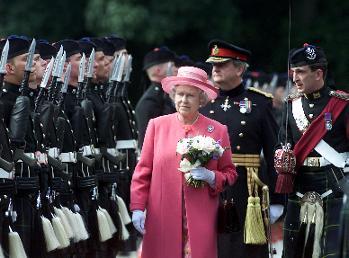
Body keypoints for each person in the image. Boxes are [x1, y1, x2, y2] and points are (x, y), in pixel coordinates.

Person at [130, 66, 237, 258]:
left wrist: (212, 176)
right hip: (162, 214)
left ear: (201, 99)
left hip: (201, 215)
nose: (183, 100)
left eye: (190, 95)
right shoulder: (157, 125)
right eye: (179, 94)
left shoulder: (217, 130)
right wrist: (138, 207)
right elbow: (143, 171)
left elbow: (230, 173)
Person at [200, 39, 281, 258]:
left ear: (239, 68)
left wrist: (277, 199)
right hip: (210, 185)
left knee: (245, 249)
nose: (214, 69)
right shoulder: (205, 103)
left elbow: (274, 152)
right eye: (213, 64)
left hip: (247, 189)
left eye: (222, 64)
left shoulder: (260, 103)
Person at [275, 43, 349, 258]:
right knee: (295, 252)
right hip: (299, 183)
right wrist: (281, 155)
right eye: (293, 71)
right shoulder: (291, 105)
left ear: (318, 73)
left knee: (331, 252)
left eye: (301, 72)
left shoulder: (341, 104)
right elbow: (282, 141)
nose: (294, 77)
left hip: (334, 183)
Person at [135, 46, 176, 148]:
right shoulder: (150, 101)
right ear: (158, 70)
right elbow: (146, 142)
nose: (176, 69)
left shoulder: (163, 94)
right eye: (173, 65)